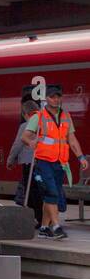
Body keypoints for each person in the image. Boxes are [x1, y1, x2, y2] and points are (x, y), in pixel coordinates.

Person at [22, 84, 88, 240]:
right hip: (43, 161)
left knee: (51, 196)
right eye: (52, 97)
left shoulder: (66, 116)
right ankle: (57, 226)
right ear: (47, 98)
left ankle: (44, 228)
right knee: (51, 192)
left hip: (59, 162)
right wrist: (31, 143)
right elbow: (24, 136)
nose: (56, 99)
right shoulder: (38, 117)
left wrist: (81, 157)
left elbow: (71, 139)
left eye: (58, 96)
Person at [9, 99, 43, 225]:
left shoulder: (25, 126)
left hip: (30, 163)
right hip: (44, 162)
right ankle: (43, 219)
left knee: (32, 192)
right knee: (41, 190)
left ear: (26, 114)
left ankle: (37, 218)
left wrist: (10, 160)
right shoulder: (46, 124)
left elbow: (18, 144)